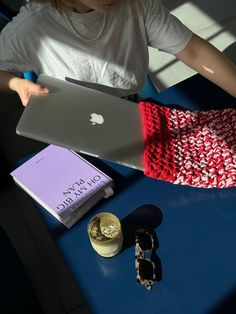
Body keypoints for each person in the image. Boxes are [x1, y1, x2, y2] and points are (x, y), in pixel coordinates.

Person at [0, 0, 236, 107]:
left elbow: (193, 51)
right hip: (68, 119)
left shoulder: (136, 5)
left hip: (129, 105)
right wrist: (16, 84)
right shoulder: (32, 26)